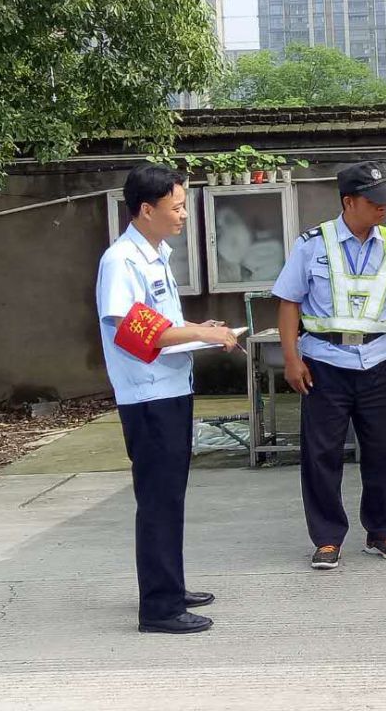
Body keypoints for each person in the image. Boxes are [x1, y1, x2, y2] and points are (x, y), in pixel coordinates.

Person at [95, 163, 241, 634]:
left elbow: (161, 323)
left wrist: (199, 329)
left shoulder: (155, 254)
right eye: (175, 207)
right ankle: (159, 607)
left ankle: (170, 587)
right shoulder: (122, 260)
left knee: (170, 497)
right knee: (158, 500)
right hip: (148, 396)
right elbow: (130, 327)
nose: (183, 215)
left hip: (171, 388)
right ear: (145, 209)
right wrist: (201, 334)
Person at [271, 161, 386, 571]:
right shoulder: (312, 244)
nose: (382, 208)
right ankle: (327, 538)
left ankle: (384, 532)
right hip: (325, 363)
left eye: (385, 200)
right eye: (374, 201)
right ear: (349, 202)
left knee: (383, 450)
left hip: (379, 361)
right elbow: (289, 302)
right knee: (322, 454)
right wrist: (291, 358)